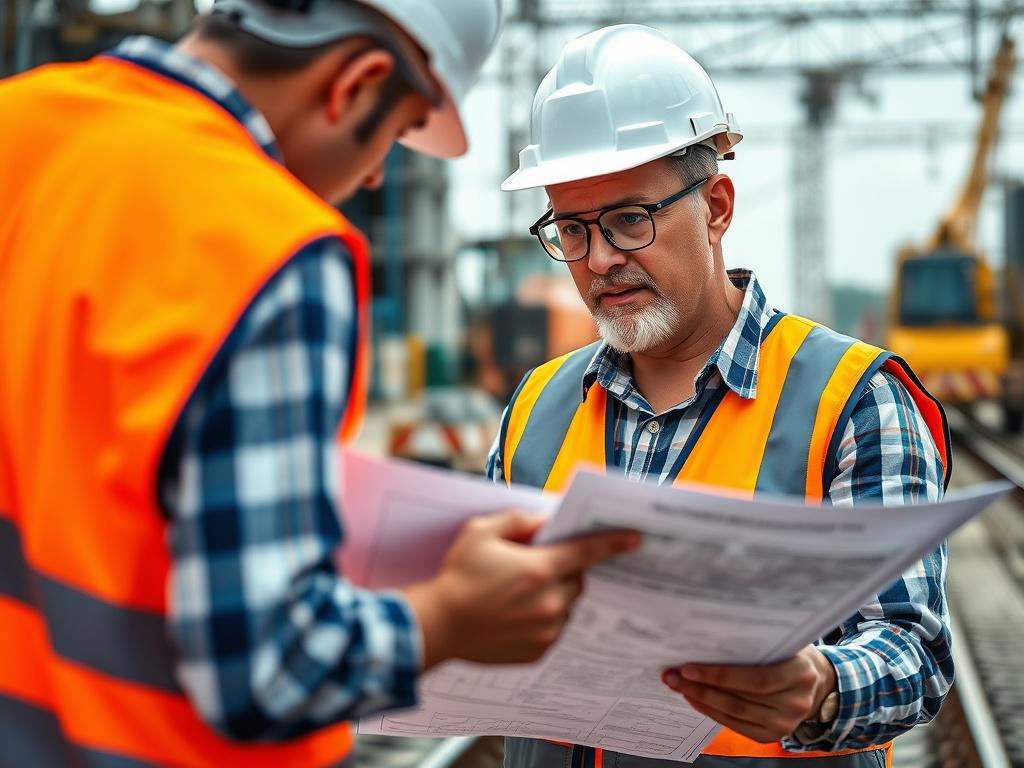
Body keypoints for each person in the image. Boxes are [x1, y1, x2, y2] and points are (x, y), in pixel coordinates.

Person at [0, 2, 640, 765]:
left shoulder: (20, 123)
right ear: (356, 85)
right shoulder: (266, 244)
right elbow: (265, 670)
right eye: (396, 137)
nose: (374, 176)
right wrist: (446, 618)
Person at [489, 24, 953, 768]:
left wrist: (819, 686)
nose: (601, 259)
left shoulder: (853, 402)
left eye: (630, 219)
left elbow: (913, 656)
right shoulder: (536, 409)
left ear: (717, 206)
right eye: (571, 229)